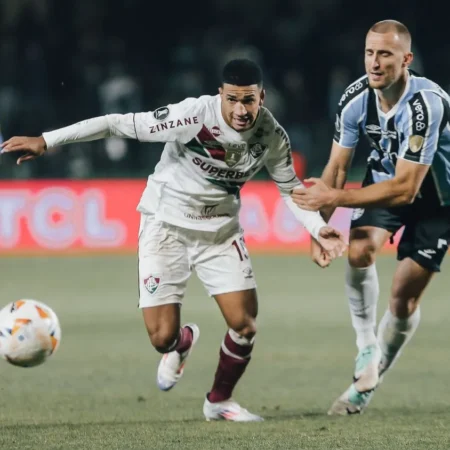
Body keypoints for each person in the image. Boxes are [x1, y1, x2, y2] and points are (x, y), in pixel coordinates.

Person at [2, 59, 346, 422]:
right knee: (161, 338)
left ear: (262, 97)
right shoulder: (193, 116)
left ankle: (219, 401)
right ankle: (181, 343)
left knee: (245, 325)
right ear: (221, 95)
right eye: (232, 100)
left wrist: (317, 228)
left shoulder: (271, 136)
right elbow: (116, 124)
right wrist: (46, 140)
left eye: (249, 100)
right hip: (165, 226)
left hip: (219, 232)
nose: (241, 110)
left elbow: (291, 189)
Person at [291, 20, 450, 415]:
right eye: (369, 53)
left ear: (406, 59)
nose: (374, 63)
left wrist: (337, 198)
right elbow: (337, 169)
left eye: (385, 55)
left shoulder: (425, 105)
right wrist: (320, 228)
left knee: (403, 298)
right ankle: (366, 348)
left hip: (438, 200)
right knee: (359, 251)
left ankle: (372, 377)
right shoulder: (354, 97)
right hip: (383, 183)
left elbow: (407, 188)